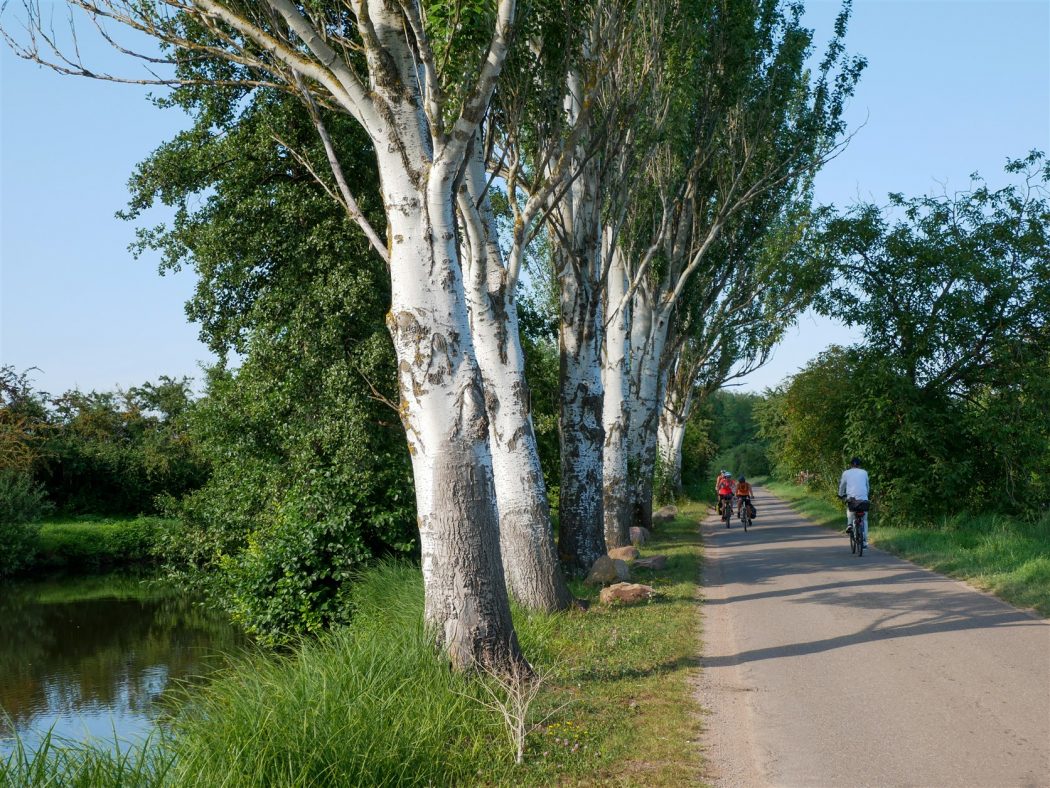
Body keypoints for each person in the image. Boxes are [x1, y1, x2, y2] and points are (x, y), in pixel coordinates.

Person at [838, 457, 870, 548]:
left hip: (852, 500)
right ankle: (864, 541)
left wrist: (840, 495)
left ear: (851, 465)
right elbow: (867, 486)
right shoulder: (864, 472)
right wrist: (866, 495)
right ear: (859, 465)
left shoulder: (846, 473)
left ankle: (849, 524)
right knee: (864, 520)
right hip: (863, 500)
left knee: (850, 509)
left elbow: (842, 486)